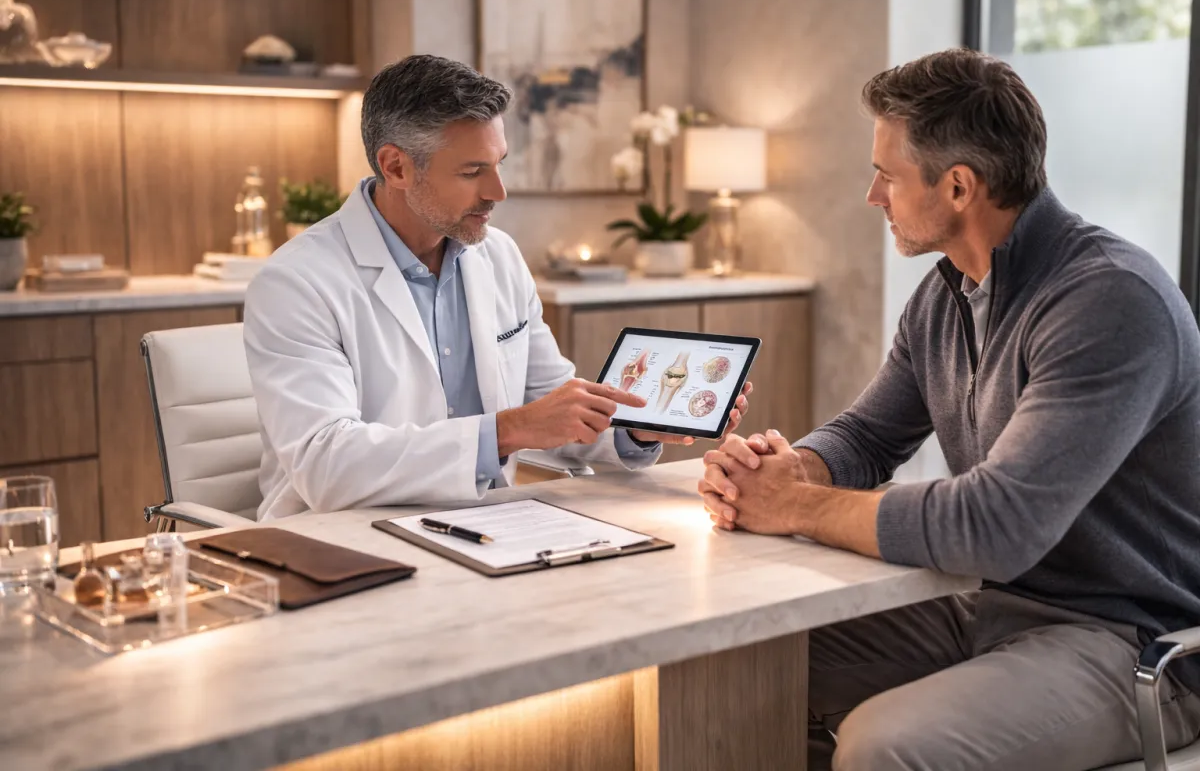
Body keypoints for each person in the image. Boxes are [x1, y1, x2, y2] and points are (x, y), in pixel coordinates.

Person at [699, 48, 1200, 770]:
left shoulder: (1110, 302)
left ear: (959, 186)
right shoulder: (948, 294)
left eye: (888, 175)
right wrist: (792, 467)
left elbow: (996, 526)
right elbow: (869, 435)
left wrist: (793, 507)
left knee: (886, 746)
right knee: (728, 664)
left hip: (1133, 641)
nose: (873, 196)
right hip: (991, 608)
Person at [244, 55, 749, 520]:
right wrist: (511, 429)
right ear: (396, 166)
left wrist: (634, 427)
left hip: (486, 524)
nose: (497, 192)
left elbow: (548, 404)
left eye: (499, 163)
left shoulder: (498, 256)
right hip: (341, 541)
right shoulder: (296, 282)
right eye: (472, 172)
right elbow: (326, 466)